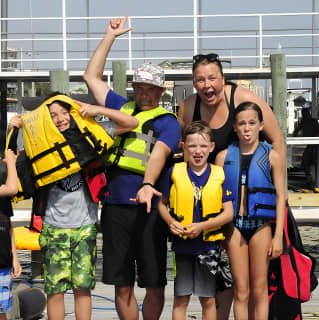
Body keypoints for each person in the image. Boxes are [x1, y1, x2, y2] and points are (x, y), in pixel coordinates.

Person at [83, 15, 180, 320]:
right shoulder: (120, 107)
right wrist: (110, 36)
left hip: (150, 207)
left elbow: (159, 153)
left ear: (161, 90)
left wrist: (147, 185)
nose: (143, 92)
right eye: (139, 86)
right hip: (114, 206)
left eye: (150, 88)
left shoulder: (168, 122)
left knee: (153, 281)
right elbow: (91, 78)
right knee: (121, 282)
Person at [8, 93, 138, 320]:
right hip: (53, 227)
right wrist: (13, 128)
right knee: (55, 290)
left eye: (64, 112)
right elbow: (9, 159)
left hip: (85, 227)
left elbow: (131, 123)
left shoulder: (88, 135)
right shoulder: (36, 146)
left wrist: (96, 110)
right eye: (53, 115)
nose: (59, 119)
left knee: (83, 288)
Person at [178, 53, 286, 319]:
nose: (207, 84)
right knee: (233, 286)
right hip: (225, 217)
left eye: (212, 78)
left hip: (259, 220)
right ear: (194, 83)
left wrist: (278, 231)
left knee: (258, 289)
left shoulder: (245, 101)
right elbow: (184, 150)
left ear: (223, 79)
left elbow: (278, 143)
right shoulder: (188, 109)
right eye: (200, 79)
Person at [215, 102, 286, 320]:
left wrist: (277, 237)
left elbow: (281, 196)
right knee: (241, 289)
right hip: (234, 226)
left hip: (261, 227)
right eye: (242, 123)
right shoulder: (223, 157)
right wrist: (219, 234)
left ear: (261, 125)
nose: (247, 128)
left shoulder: (272, 155)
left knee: (260, 288)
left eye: (252, 123)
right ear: (235, 127)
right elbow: (215, 198)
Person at [158, 121, 233, 320]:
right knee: (180, 299)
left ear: (211, 147)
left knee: (208, 300)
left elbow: (228, 213)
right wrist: (170, 222)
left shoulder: (220, 174)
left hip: (208, 247)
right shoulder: (174, 172)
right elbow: (161, 204)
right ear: (183, 147)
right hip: (181, 247)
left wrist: (202, 226)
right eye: (192, 146)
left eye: (202, 146)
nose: (198, 151)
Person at [0, 149, 21, 320]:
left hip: (3, 263)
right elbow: (13, 188)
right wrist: (11, 161)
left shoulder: (3, 196)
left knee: (2, 311)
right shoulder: (5, 189)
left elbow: (8, 226)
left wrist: (14, 256)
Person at [293, 106, 319, 188]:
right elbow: (295, 132)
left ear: (308, 113)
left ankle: (314, 181)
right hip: (310, 145)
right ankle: (310, 180)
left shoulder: (313, 121)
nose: (304, 115)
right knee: (306, 163)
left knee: (315, 163)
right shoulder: (303, 122)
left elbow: (318, 132)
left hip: (315, 145)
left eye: (305, 113)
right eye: (303, 113)